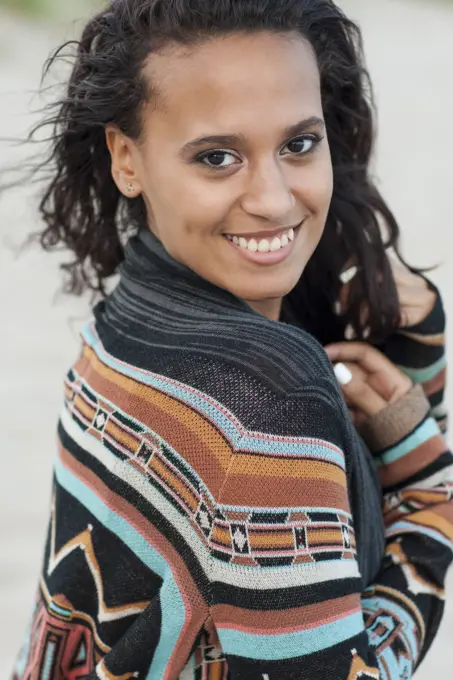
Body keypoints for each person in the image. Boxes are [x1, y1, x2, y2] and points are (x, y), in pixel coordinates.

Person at [11, 0, 451, 678]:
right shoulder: (270, 406)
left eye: (298, 144)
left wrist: (416, 340)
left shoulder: (125, 320)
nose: (273, 199)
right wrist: (428, 487)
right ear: (126, 159)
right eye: (217, 157)